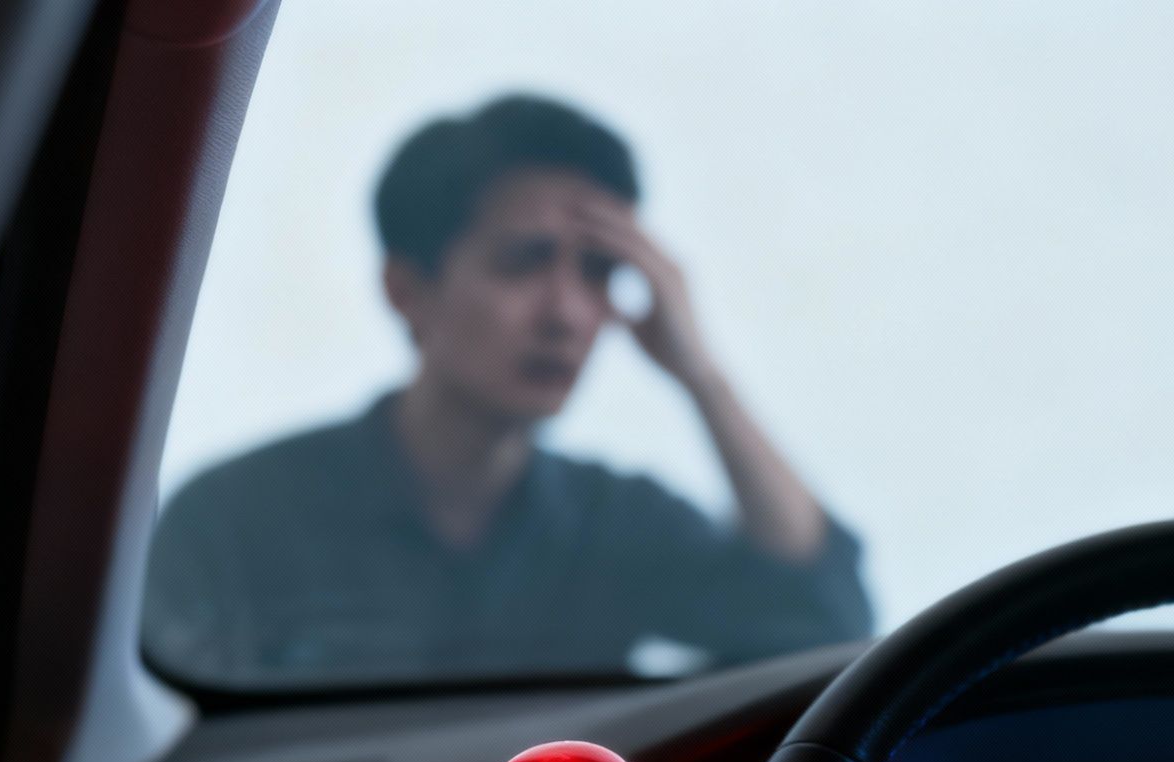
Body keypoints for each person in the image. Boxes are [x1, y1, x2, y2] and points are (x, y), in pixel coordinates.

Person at [143, 94, 872, 684]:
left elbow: (823, 630)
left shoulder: (612, 521)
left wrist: (701, 376)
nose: (567, 313)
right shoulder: (233, 520)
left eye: (599, 272)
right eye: (524, 262)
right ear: (408, 290)